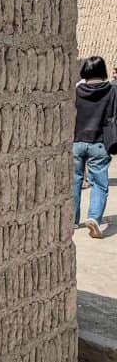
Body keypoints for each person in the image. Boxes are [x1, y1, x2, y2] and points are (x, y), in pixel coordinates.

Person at [73, 56, 116, 238]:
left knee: (75, 181)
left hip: (76, 142)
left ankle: (72, 220)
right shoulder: (112, 90)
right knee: (99, 183)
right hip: (99, 143)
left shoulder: (77, 90)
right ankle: (94, 218)